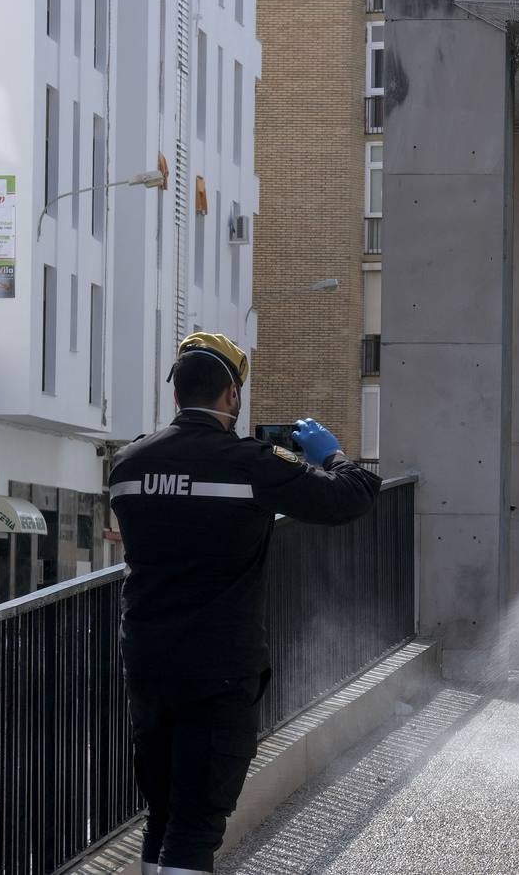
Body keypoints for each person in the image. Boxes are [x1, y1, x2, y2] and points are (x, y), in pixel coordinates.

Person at [109, 333, 382, 875]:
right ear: (231, 395)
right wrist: (333, 455)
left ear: (176, 395)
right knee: (196, 824)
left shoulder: (127, 464)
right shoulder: (252, 464)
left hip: (147, 662)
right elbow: (351, 497)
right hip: (218, 669)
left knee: (162, 811)